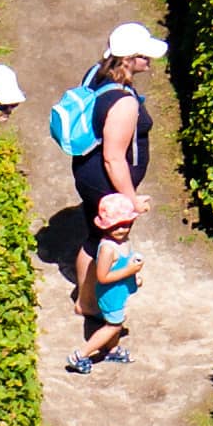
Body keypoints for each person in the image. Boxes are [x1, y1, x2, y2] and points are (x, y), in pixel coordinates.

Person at [65, 21, 164, 323]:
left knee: (94, 235)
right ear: (127, 59)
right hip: (104, 180)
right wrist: (130, 199)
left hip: (89, 172)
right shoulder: (123, 102)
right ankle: (87, 302)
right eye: (144, 55)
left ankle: (87, 296)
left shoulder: (96, 72)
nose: (150, 60)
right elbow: (114, 159)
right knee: (99, 241)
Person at [71, 189, 141, 373]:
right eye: (115, 226)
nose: (121, 230)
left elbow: (126, 263)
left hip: (118, 291)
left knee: (113, 322)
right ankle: (81, 355)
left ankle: (112, 350)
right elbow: (102, 277)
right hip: (110, 294)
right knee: (113, 325)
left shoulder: (123, 241)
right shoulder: (108, 249)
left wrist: (134, 276)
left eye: (126, 225)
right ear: (104, 226)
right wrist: (129, 270)